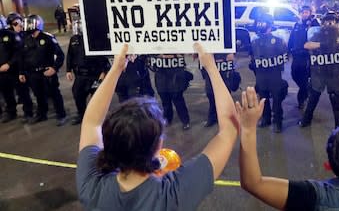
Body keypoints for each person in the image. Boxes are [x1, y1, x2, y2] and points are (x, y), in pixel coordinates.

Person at [76, 43, 240, 210]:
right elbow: (229, 130)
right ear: (158, 146)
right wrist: (211, 67)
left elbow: (91, 122)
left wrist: (116, 69)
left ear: (108, 144)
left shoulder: (92, 189)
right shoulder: (173, 194)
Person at [298, 11, 339, 128]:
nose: (329, 24)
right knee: (313, 98)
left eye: (332, 22)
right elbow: (306, 45)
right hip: (319, 73)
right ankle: (306, 120)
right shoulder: (317, 34)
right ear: (322, 23)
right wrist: (323, 45)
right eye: (327, 22)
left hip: (334, 73)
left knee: (336, 102)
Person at [19, 14, 67, 126]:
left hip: (47, 73)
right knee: (38, 95)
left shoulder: (47, 38)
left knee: (54, 94)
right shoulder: (26, 40)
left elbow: (60, 55)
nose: (28, 26)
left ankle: (61, 115)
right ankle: (41, 114)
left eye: (30, 23)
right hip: (33, 74)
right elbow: (22, 58)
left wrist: (54, 68)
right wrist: (21, 72)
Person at [249, 13, 288, 133]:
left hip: (274, 75)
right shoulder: (254, 41)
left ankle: (278, 122)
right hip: (261, 75)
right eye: (259, 22)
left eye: (263, 22)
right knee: (263, 99)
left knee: (276, 99)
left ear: (269, 25)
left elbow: (283, 58)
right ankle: (266, 118)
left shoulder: (278, 41)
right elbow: (252, 58)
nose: (260, 25)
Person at [66, 19, 110, 125]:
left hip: (94, 75)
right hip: (80, 75)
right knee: (78, 95)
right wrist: (68, 70)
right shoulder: (74, 39)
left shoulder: (95, 39)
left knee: (97, 98)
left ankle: (99, 118)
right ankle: (82, 115)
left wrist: (104, 72)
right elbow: (70, 55)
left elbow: (104, 57)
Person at [147, 54, 192, 130]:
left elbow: (181, 60)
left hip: (175, 78)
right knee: (165, 102)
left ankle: (185, 121)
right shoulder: (156, 51)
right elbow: (152, 65)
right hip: (161, 79)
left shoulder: (176, 50)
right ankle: (167, 119)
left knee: (178, 101)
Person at [288, 5, 319, 109]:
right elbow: (292, 38)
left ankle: (302, 100)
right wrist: (288, 50)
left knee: (305, 77)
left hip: (307, 56)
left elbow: (318, 37)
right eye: (303, 12)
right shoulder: (297, 24)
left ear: (310, 13)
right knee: (294, 74)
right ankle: (306, 90)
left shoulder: (313, 24)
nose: (305, 14)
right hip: (296, 55)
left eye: (307, 12)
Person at [6, 13, 34, 122]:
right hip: (12, 69)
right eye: (15, 23)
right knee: (11, 92)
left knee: (25, 92)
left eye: (20, 23)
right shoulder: (8, 37)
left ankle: (29, 112)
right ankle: (12, 112)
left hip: (25, 68)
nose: (19, 25)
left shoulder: (25, 35)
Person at [200, 53, 239, 127]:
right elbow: (203, 69)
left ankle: (224, 119)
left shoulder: (227, 52)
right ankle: (213, 118)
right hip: (211, 78)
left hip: (224, 77)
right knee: (212, 98)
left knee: (224, 100)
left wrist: (231, 54)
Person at [0, 14, 21, 122]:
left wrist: (9, 64)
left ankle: (22, 111)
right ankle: (7, 112)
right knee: (4, 93)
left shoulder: (10, 35)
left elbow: (18, 52)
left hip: (11, 69)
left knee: (18, 91)